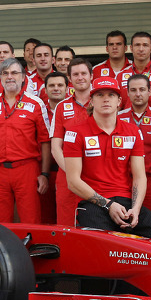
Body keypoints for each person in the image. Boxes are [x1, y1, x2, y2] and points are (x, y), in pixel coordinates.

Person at [65, 78, 151, 241]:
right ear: (91, 101)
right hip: (93, 204)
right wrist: (108, 205)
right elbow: (72, 181)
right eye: (99, 95)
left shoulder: (132, 131)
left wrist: (135, 209)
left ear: (119, 101)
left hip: (126, 203)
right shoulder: (75, 133)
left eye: (111, 95)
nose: (106, 99)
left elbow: (140, 176)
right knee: (107, 247)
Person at [0, 58, 50, 224]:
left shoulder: (36, 103)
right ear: (0, 78)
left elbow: (45, 141)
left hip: (27, 170)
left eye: (14, 73)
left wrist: (44, 173)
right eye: (5, 73)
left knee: (30, 220)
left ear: (24, 77)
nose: (10, 77)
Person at [51, 58, 94, 226]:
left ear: (91, 76)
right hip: (67, 176)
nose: (80, 77)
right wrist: (72, 173)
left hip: (96, 175)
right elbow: (56, 147)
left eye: (84, 73)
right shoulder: (61, 107)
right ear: (69, 78)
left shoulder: (102, 102)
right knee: (66, 225)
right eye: (75, 74)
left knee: (94, 225)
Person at [117, 74, 151, 218]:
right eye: (133, 90)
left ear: (149, 92)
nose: (138, 94)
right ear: (128, 93)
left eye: (142, 89)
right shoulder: (117, 119)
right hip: (124, 181)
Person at [116, 32, 151, 110]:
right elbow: (116, 108)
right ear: (131, 48)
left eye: (145, 45)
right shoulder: (120, 76)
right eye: (137, 45)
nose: (141, 49)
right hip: (126, 121)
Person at [40, 71, 69, 224]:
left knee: (66, 218)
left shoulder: (76, 110)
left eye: (60, 85)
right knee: (45, 219)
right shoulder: (38, 110)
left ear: (67, 88)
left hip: (68, 172)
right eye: (51, 85)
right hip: (44, 172)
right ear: (45, 90)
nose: (56, 88)